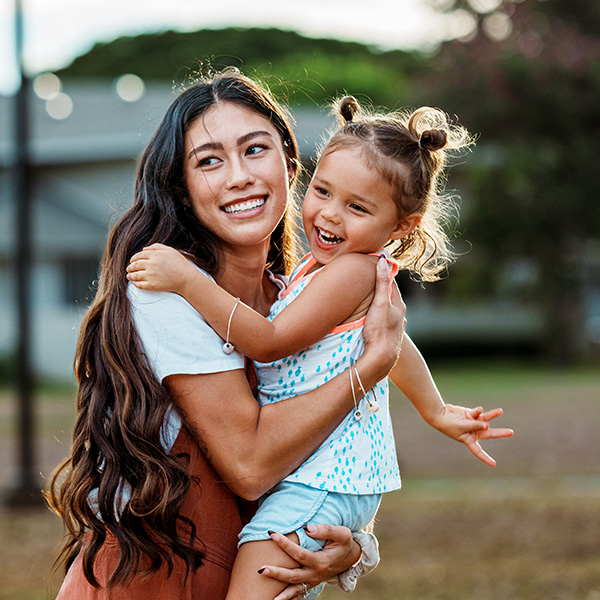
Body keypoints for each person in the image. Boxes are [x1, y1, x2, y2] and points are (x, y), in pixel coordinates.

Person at [126, 95, 513, 600]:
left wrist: (186, 280)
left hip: (319, 484)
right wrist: (434, 409)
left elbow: (268, 343)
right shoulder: (318, 274)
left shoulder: (352, 270)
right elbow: (393, 343)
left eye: (357, 207)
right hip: (316, 483)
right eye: (323, 191)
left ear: (401, 226)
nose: (329, 214)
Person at [47, 71, 412, 600]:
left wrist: (352, 543)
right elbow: (251, 465)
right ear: (183, 186)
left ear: (291, 165)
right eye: (209, 160)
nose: (238, 176)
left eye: (255, 149)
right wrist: (370, 366)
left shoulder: (294, 302)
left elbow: (334, 454)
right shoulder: (167, 294)